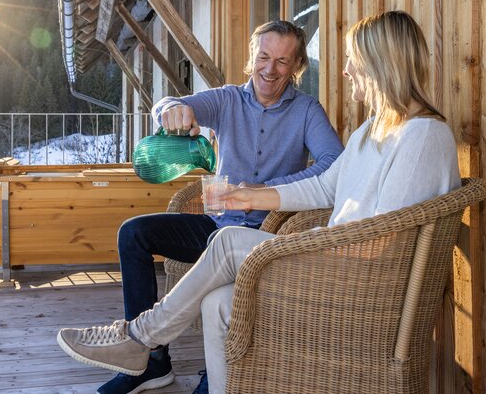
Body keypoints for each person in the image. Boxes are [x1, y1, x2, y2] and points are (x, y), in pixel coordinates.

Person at [57, 10, 462, 393]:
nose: (345, 70)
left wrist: (297, 240)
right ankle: (161, 355)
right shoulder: (373, 130)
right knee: (214, 295)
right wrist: (243, 192)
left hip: (350, 284)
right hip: (327, 258)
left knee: (230, 241)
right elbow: (324, 188)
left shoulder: (422, 137)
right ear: (253, 58)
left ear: (380, 64)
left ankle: (139, 338)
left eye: (353, 60)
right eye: (264, 57)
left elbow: (385, 243)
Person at [82, 20, 344, 394]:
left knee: (221, 282)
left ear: (297, 65)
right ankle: (151, 364)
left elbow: (335, 165)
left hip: (267, 233)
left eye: (283, 61)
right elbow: (173, 104)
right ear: (252, 57)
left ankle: (217, 371)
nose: (270, 69)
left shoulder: (306, 111)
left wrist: (263, 189)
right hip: (215, 223)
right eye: (264, 57)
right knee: (134, 234)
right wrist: (171, 111)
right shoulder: (227, 99)